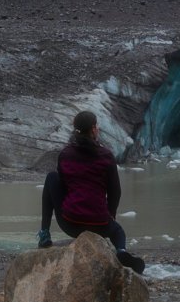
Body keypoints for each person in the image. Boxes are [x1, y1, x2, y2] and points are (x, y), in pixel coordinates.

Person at [37, 109, 146, 274]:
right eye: (97, 126)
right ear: (94, 129)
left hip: (70, 223)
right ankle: (121, 251)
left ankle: (44, 234)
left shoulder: (65, 154)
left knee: (52, 177)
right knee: (118, 231)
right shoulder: (106, 156)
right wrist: (110, 217)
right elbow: (115, 192)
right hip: (100, 225)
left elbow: (64, 186)